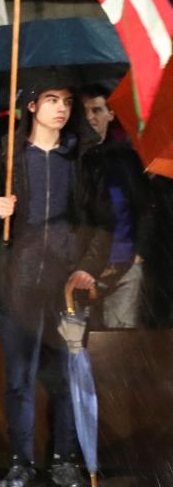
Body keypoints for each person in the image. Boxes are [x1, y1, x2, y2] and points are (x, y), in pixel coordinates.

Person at [0, 85, 113, 487]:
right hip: (16, 282)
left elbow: (102, 222)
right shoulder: (5, 156)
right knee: (19, 378)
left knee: (66, 377)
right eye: (52, 100)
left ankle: (65, 460)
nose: (61, 109)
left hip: (65, 285)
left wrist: (88, 267)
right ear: (32, 105)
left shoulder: (83, 159)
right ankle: (20, 463)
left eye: (67, 102)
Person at [80, 86, 151, 329]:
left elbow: (144, 207)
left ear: (111, 113)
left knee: (121, 347)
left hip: (125, 265)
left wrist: (140, 252)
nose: (91, 117)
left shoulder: (126, 160)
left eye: (97, 110)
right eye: (85, 111)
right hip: (83, 268)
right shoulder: (71, 160)